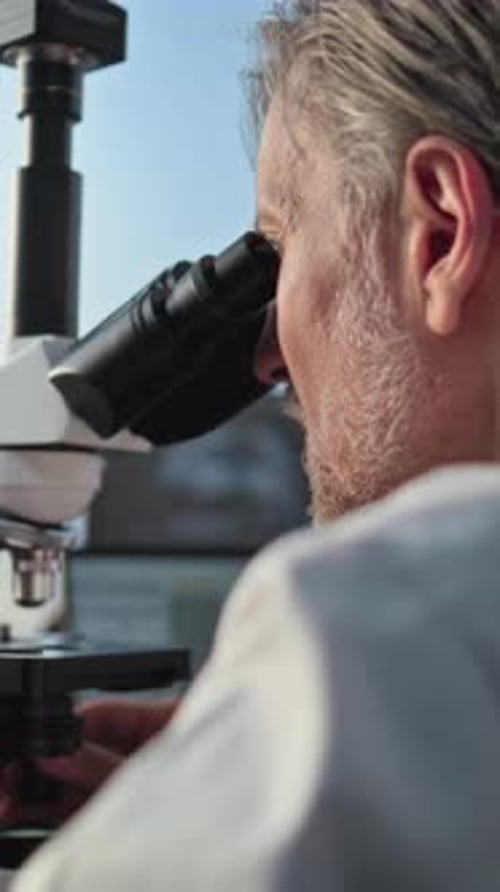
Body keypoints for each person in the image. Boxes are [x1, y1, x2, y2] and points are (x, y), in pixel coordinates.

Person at [10, 0, 500, 888]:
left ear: (440, 233)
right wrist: (218, 808)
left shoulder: (391, 622)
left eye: (278, 249)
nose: (269, 357)